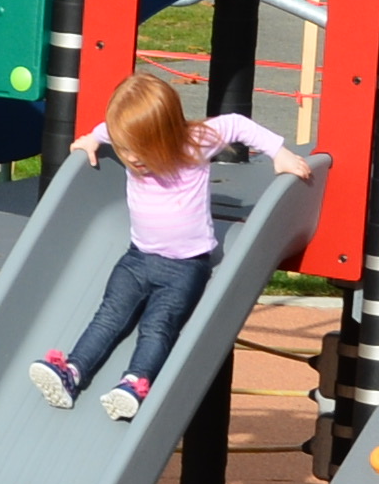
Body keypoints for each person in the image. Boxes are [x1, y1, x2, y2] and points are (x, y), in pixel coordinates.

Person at [34, 71, 318, 422]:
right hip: (137, 258)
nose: (132, 158)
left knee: (157, 327)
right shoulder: (126, 136)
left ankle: (134, 384)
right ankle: (72, 373)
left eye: (141, 149)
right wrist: (92, 140)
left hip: (185, 267)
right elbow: (107, 130)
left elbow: (237, 124)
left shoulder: (193, 143)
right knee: (108, 316)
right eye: (124, 149)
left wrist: (279, 153)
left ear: (167, 134)